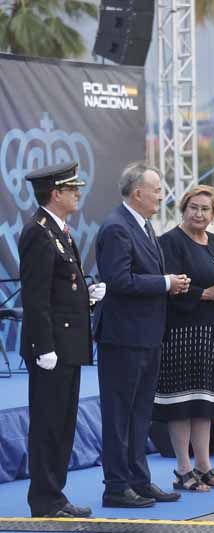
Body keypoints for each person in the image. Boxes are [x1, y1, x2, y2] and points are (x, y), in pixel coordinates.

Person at [95, 161, 190, 507]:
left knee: (139, 414)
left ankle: (139, 480)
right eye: (156, 189)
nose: (161, 195)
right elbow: (118, 281)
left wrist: (169, 285)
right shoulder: (116, 228)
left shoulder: (143, 225)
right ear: (138, 193)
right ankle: (116, 486)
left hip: (147, 335)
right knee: (120, 415)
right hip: (123, 338)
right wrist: (165, 283)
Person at [19, 162, 104, 518]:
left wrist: (85, 295)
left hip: (67, 344)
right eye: (72, 189)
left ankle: (55, 494)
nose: (78, 194)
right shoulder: (39, 232)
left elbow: (60, 288)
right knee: (49, 424)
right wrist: (45, 346)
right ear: (56, 194)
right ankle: (46, 498)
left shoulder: (59, 230)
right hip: (52, 347)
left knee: (63, 423)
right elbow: (36, 297)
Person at [155, 185, 214, 492]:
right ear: (183, 209)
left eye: (205, 209)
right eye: (194, 207)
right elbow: (168, 286)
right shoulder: (169, 243)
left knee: (204, 404)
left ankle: (204, 466)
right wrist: (203, 294)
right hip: (182, 333)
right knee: (182, 403)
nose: (199, 213)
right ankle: (183, 468)